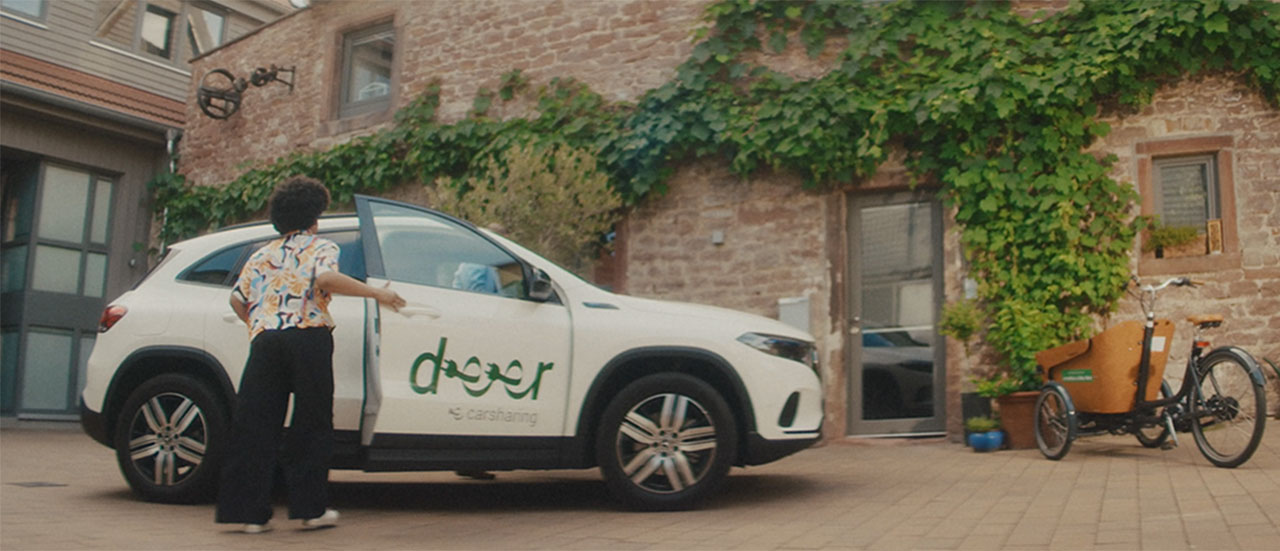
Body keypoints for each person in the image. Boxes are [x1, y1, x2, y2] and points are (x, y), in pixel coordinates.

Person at [215, 176, 405, 534]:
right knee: (311, 424)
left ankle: (250, 514)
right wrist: (377, 294)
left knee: (255, 424)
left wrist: (259, 324)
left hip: (266, 341)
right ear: (314, 217)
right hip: (308, 338)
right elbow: (326, 280)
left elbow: (237, 299)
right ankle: (309, 510)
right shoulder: (321, 246)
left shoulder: (261, 254)